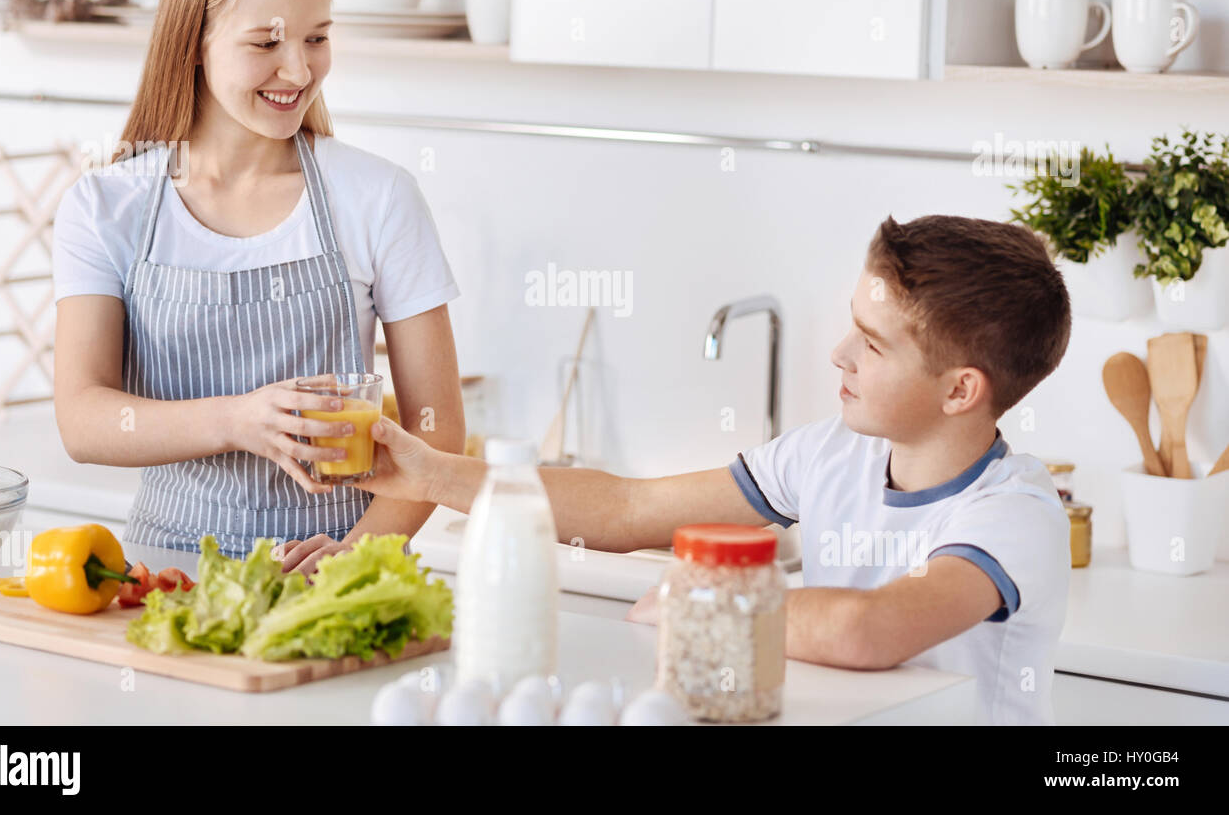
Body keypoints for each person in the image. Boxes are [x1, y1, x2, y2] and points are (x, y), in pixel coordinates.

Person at [345, 214, 1073, 725]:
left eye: (874, 345)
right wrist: (435, 474)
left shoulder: (1015, 512)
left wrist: (703, 606)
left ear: (959, 390)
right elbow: (629, 510)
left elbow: (869, 630)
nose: (840, 352)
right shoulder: (830, 453)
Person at [52, 0, 463, 574]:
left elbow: (439, 427)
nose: (299, 72)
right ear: (194, 41)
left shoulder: (379, 196)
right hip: (165, 576)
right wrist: (238, 419)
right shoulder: (107, 206)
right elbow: (83, 419)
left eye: (317, 38)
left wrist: (352, 559)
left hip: (337, 577)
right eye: (265, 44)